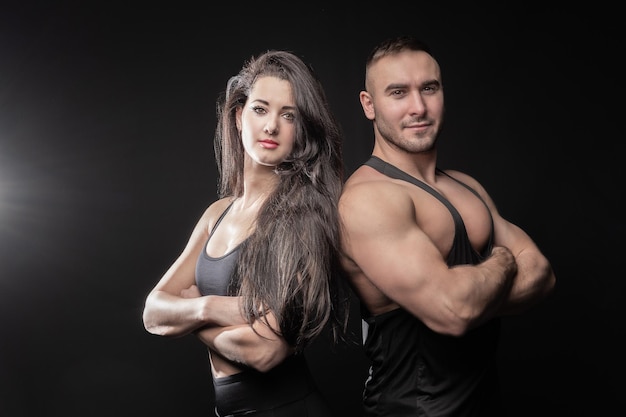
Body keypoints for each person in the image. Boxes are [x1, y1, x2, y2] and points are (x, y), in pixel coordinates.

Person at [338, 35, 557, 416]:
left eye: (429, 88)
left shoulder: (465, 185)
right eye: (398, 93)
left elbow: (542, 274)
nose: (418, 107)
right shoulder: (366, 199)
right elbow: (454, 310)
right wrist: (503, 260)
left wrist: (473, 297)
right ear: (369, 105)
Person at [142, 50, 352, 417]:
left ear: (300, 129)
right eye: (260, 109)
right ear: (239, 117)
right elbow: (153, 313)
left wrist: (190, 317)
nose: (271, 126)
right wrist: (213, 307)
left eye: (288, 115)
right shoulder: (216, 214)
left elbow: (264, 351)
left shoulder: (303, 220)